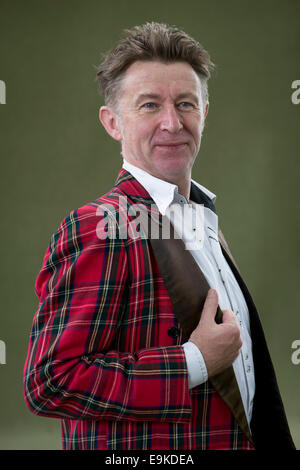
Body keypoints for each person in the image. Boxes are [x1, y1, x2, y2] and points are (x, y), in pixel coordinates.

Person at [23, 22, 295, 450]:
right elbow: (50, 381)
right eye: (149, 105)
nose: (172, 122)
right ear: (113, 122)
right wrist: (193, 362)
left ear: (205, 113)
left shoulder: (203, 220)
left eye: (185, 103)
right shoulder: (97, 226)